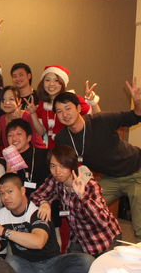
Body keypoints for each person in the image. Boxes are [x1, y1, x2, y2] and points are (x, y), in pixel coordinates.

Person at [53, 85, 141, 238]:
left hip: (136, 170)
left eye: (68, 108)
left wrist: (138, 103)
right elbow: (65, 166)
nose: (65, 114)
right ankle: (109, 241)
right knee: (89, 210)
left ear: (78, 108)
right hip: (111, 178)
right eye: (59, 111)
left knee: (139, 224)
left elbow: (134, 116)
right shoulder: (62, 138)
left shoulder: (100, 120)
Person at [0, 173, 94, 273]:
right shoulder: (1, 215)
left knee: (87, 262)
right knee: (11, 262)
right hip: (26, 267)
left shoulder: (38, 210)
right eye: (2, 193)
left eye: (10, 192)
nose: (6, 197)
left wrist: (4, 231)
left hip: (52, 264)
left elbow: (38, 242)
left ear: (22, 190)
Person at [30, 145, 122, 255]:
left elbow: (102, 222)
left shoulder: (89, 185)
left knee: (96, 266)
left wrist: (83, 197)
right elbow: (35, 195)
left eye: (62, 166)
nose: (57, 171)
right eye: (53, 166)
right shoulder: (56, 181)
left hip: (103, 239)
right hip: (79, 238)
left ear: (71, 166)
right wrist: (44, 203)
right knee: (70, 263)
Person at [34, 65, 95, 149]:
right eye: (47, 80)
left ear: (63, 83)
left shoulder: (73, 99)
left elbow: (96, 120)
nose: (51, 84)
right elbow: (42, 132)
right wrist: (32, 113)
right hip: (53, 150)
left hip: (73, 148)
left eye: (56, 80)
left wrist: (93, 101)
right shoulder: (42, 104)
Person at [5, 119, 49, 194]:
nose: (14, 138)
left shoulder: (44, 155)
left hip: (44, 197)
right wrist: (8, 177)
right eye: (10, 135)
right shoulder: (7, 161)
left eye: (19, 134)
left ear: (29, 137)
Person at [0, 86, 45, 151]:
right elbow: (7, 144)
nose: (7, 102)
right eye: (3, 100)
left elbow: (41, 133)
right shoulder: (2, 119)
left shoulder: (27, 116)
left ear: (19, 101)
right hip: (14, 154)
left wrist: (33, 113)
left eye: (11, 99)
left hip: (35, 152)